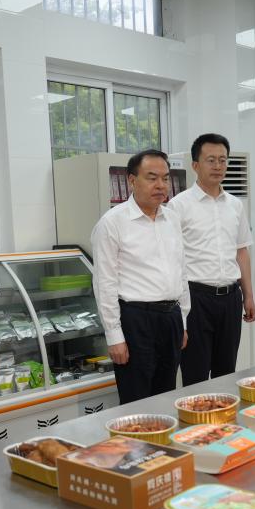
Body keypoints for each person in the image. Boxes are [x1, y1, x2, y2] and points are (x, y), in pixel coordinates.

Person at [91, 149, 190, 404]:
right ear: (132, 181)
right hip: (136, 321)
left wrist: (182, 321)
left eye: (165, 178)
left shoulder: (172, 219)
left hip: (171, 318)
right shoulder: (112, 223)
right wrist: (114, 336)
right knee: (136, 401)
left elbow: (181, 271)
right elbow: (104, 283)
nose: (161, 185)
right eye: (152, 178)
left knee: (166, 397)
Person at [168, 133, 255, 386]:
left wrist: (248, 296)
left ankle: (224, 413)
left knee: (227, 372)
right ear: (195, 165)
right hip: (195, 299)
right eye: (211, 160)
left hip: (230, 298)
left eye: (222, 160)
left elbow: (241, 252)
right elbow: (171, 257)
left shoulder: (235, 205)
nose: (218, 166)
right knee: (195, 375)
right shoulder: (178, 206)